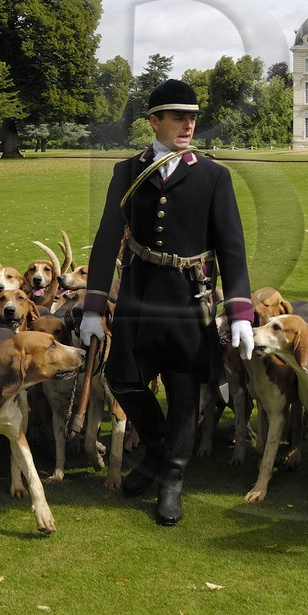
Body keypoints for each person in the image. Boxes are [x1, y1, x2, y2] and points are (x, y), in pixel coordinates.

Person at [78, 79, 254, 527]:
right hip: (137, 297)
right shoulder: (126, 171)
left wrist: (239, 312)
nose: (188, 124)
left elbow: (232, 247)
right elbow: (105, 241)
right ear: (153, 121)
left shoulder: (214, 176)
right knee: (122, 378)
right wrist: (95, 306)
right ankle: (157, 451)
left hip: (187, 299)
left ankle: (172, 478)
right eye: (178, 116)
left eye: (192, 117)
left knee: (183, 390)